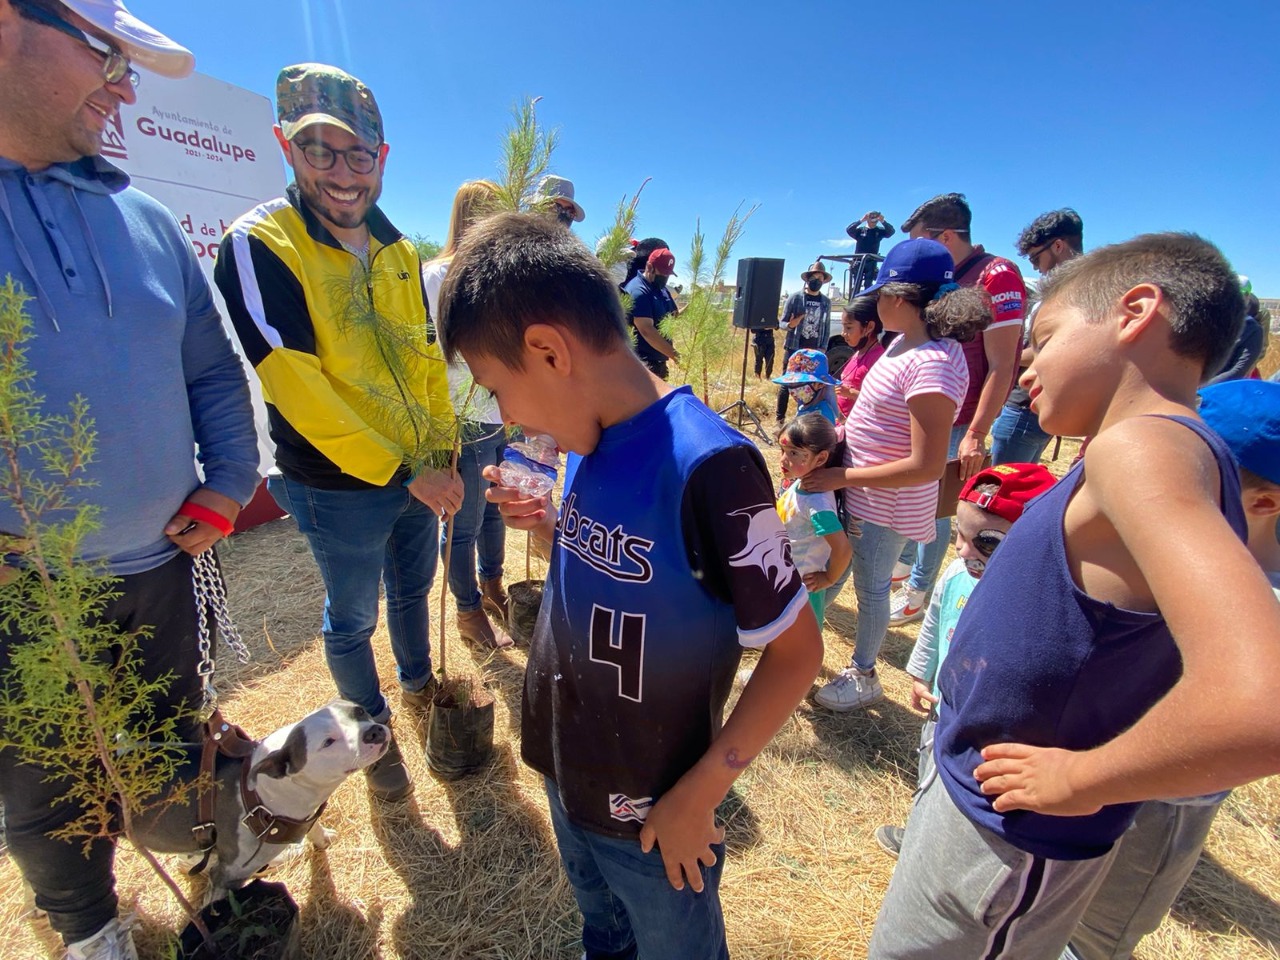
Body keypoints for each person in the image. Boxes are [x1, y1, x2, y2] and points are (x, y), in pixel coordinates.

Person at [867, 233, 1280, 960]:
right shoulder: (1150, 445)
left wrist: (1086, 776)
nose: (1024, 361)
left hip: (1011, 840)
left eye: (1044, 336)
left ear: (1136, 312)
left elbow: (1263, 701)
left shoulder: (1143, 447)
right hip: (984, 810)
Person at [437, 212, 823, 960]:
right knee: (602, 931)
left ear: (548, 351)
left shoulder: (713, 467)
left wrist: (702, 792)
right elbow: (617, 571)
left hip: (654, 807)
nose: (503, 415)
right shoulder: (587, 433)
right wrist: (547, 525)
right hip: (564, 765)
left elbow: (796, 654)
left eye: (494, 387)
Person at [0, 2, 260, 956]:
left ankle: (189, 854)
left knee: (164, 743)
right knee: (39, 781)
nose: (124, 84)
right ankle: (90, 927)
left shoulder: (143, 218)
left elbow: (209, 371)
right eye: (105, 53)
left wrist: (229, 483)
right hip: (24, 594)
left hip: (161, 564)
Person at [215, 64, 460, 803]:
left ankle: (418, 681)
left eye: (360, 154)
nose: (343, 173)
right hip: (336, 484)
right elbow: (297, 385)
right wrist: (402, 470)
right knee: (353, 618)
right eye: (320, 149)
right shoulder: (259, 243)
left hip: (417, 469)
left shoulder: (396, 248)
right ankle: (371, 733)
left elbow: (423, 360)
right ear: (285, 148)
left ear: (383, 159)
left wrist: (441, 450)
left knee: (415, 589)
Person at [1065, 378, 1280, 960]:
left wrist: (1087, 777)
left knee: (1099, 934)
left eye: (1183, 485)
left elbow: (1253, 728)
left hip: (1160, 803)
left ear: (1263, 503)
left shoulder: (1264, 605)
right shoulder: (1159, 561)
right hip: (1090, 777)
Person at [801, 239, 988, 712]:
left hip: (883, 506)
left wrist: (844, 476)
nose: (874, 302)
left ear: (899, 298)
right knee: (832, 575)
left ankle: (863, 675)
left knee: (870, 588)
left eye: (879, 293)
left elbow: (925, 465)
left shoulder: (933, 364)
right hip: (858, 493)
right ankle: (800, 654)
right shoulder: (903, 343)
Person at [874, 462, 1057, 858]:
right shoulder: (956, 575)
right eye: (959, 534)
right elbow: (934, 623)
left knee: (972, 787)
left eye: (985, 543)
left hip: (992, 727)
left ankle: (954, 846)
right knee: (930, 766)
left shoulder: (1038, 598)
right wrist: (922, 672)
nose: (963, 549)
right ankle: (920, 831)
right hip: (944, 706)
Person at [889, 193, 1026, 625]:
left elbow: (1002, 364)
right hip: (930, 405)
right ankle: (906, 564)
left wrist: (976, 432)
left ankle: (918, 591)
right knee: (915, 495)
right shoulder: (950, 276)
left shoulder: (996, 275)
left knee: (938, 503)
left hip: (960, 415)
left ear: (946, 236)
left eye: (922, 241)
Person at [422, 180, 513, 650]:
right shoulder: (438, 275)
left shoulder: (497, 276)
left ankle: (493, 584)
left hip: (500, 412)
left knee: (495, 509)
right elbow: (437, 353)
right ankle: (467, 609)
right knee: (464, 521)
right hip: (463, 416)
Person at [991, 208, 1085, 465]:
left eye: (1035, 258)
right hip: (1037, 407)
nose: (1034, 266)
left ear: (1057, 246)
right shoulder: (1081, 288)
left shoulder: (1072, 292)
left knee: (997, 495)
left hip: (1024, 408)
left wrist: (1003, 359)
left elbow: (1057, 346)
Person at [775, 414, 852, 627]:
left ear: (820, 459)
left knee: (800, 647)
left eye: (793, 453)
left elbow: (843, 549)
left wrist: (828, 578)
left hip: (802, 592)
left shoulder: (818, 504)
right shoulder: (802, 484)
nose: (783, 459)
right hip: (786, 580)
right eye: (782, 451)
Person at [776, 261, 832, 423]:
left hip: (814, 351)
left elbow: (826, 327)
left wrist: (823, 348)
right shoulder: (795, 298)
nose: (817, 281)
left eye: (820, 278)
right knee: (787, 383)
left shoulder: (826, 302)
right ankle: (780, 419)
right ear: (807, 279)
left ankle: (803, 418)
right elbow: (782, 323)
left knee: (810, 386)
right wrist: (791, 324)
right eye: (814, 277)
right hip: (795, 348)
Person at [623, 245, 679, 379]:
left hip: (659, 363)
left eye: (668, 274)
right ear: (649, 267)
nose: (665, 277)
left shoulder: (661, 289)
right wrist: (677, 356)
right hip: (642, 366)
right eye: (662, 273)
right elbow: (646, 330)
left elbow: (673, 315)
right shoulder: (638, 290)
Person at [834, 295, 886, 420]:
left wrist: (849, 393)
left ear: (869, 327)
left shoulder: (878, 359)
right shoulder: (859, 353)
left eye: (849, 327)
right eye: (843, 327)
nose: (843, 333)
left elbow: (880, 402)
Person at [1206, 291, 1264, 382]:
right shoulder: (1209, 322)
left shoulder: (1252, 330)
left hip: (1219, 389)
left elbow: (1238, 371)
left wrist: (1200, 390)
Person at [771, 348, 839, 424]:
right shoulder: (805, 406)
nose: (794, 389)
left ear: (820, 384)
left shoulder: (821, 416)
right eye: (791, 383)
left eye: (800, 383)